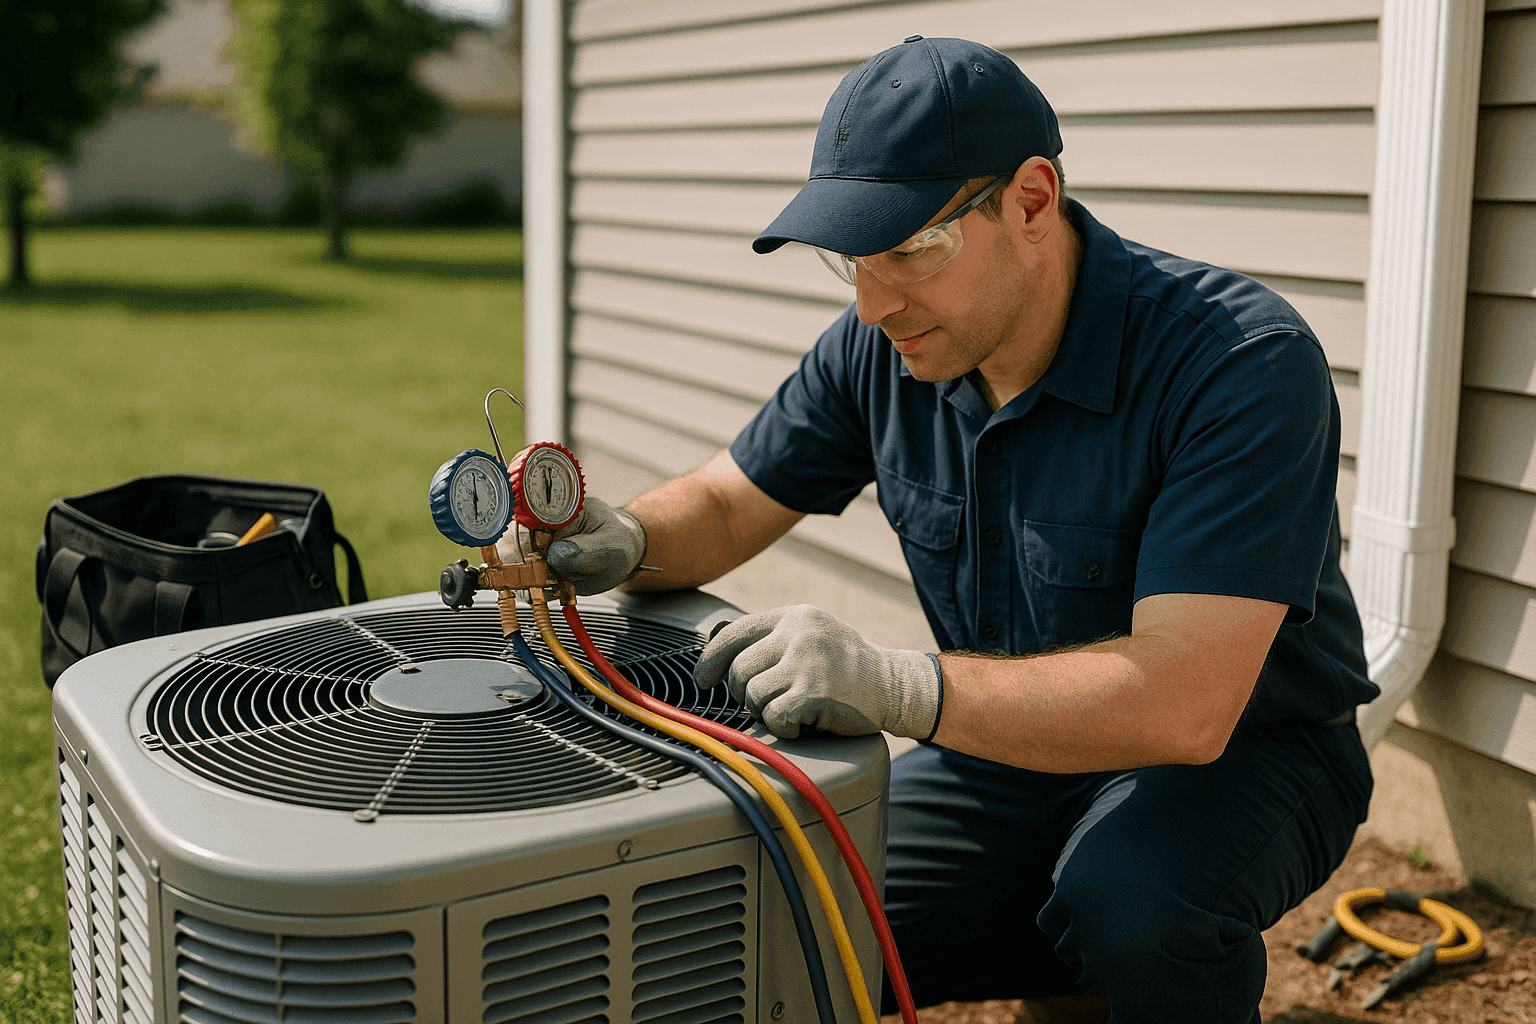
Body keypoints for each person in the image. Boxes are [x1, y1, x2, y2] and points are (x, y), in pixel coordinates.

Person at [537, 36, 1378, 1024]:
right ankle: (1061, 971)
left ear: (1031, 200)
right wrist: (629, 537)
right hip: (1002, 752)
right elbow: (728, 501)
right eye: (851, 256)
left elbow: (1185, 703)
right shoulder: (884, 345)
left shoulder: (1238, 363)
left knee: (1132, 904)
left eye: (908, 249)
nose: (873, 300)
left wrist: (896, 684)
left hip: (1245, 755)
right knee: (784, 898)